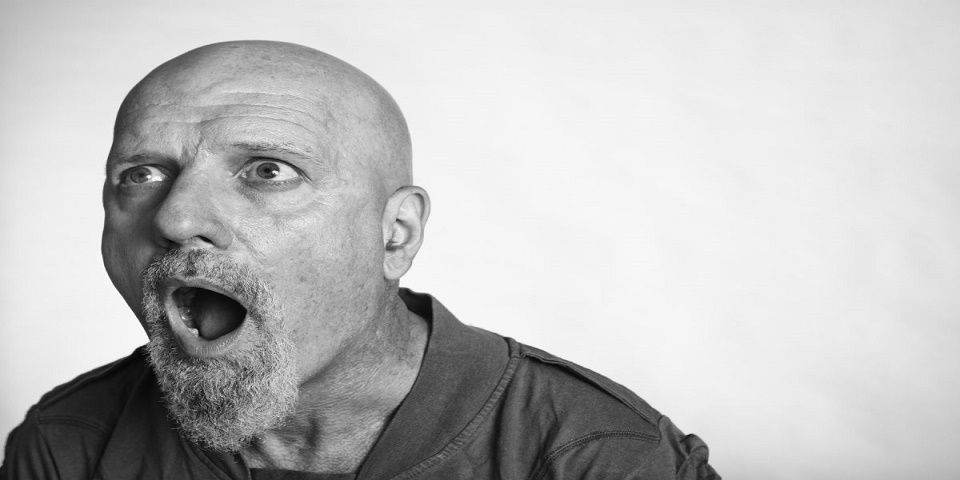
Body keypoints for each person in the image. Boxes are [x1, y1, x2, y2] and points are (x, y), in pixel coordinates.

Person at [1, 41, 719, 479]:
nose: (176, 218)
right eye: (141, 175)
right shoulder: (67, 447)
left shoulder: (601, 455)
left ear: (395, 234)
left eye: (268, 170)